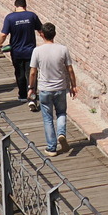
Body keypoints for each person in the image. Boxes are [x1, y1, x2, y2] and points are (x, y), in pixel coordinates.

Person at [29, 23, 78, 157]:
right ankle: (61, 133)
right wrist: (73, 86)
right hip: (60, 88)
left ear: (42, 34)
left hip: (45, 89)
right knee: (61, 112)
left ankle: (51, 148)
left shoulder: (37, 51)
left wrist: (31, 88)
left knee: (48, 118)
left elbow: (33, 72)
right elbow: (70, 70)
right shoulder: (63, 49)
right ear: (54, 34)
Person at [0, 0, 44, 102]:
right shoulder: (32, 16)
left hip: (16, 51)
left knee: (19, 73)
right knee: (31, 73)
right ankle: (32, 95)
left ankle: (22, 95)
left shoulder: (10, 17)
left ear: (15, 6)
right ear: (25, 6)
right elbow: (41, 30)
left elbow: (3, 34)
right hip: (30, 51)